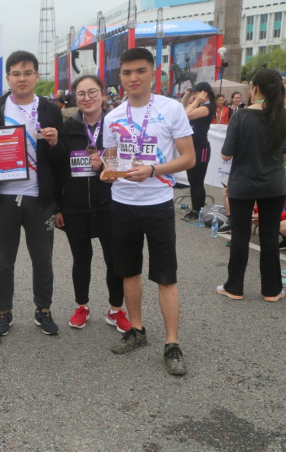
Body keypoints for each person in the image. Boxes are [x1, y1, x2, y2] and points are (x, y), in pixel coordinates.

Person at [100, 47, 195, 376]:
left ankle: (172, 343)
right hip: (122, 203)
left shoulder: (171, 109)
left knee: (166, 276)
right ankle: (137, 330)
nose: (133, 78)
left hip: (157, 203)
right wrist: (108, 171)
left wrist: (153, 170)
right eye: (127, 73)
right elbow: (111, 160)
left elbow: (188, 158)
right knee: (129, 272)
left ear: (153, 73)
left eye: (140, 71)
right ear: (120, 77)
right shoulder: (112, 117)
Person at [0, 50, 62, 336]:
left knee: (43, 260)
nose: (21, 78)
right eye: (16, 73)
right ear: (8, 78)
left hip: (40, 198)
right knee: (3, 261)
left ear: (36, 76)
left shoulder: (50, 109)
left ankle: (43, 309)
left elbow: (61, 158)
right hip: (4, 196)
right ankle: (4, 311)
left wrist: (56, 143)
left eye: (27, 73)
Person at [54, 75, 128, 333]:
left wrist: (104, 165)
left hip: (109, 205)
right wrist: (57, 207)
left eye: (93, 92)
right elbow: (58, 169)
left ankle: (115, 310)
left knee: (114, 260)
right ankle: (81, 306)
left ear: (103, 95)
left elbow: (126, 164)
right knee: (81, 259)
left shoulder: (115, 126)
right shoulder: (67, 127)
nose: (87, 98)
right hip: (74, 207)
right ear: (75, 97)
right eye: (81, 93)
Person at [217, 68, 286, 302]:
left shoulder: (240, 116)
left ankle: (234, 287)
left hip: (243, 184)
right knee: (269, 235)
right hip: (274, 184)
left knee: (240, 234)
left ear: (255, 88)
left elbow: (226, 154)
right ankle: (272, 291)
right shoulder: (282, 116)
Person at [181, 83, 216, 222]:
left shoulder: (207, 107)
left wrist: (196, 101)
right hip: (192, 147)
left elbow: (185, 116)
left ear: (203, 93)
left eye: (195, 95)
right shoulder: (200, 106)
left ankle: (198, 211)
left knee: (197, 182)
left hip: (201, 149)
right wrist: (186, 97)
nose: (193, 98)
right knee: (192, 180)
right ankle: (196, 208)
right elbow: (180, 111)